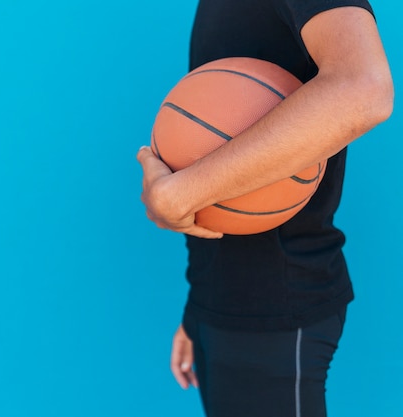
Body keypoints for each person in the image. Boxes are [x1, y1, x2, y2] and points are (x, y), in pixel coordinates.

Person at [137, 1, 393, 416]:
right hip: (222, 301)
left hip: (274, 311)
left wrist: (181, 194)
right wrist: (201, 300)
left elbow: (363, 87)